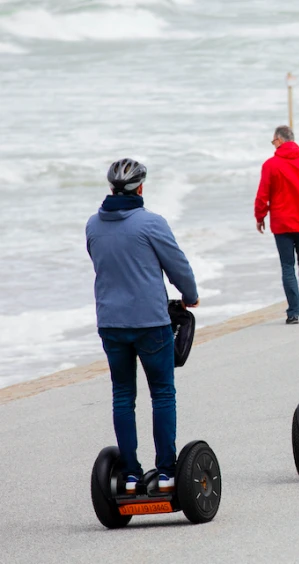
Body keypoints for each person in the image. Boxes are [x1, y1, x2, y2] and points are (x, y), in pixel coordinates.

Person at [86, 158, 199, 494]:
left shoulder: (93, 225)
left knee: (123, 396)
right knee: (162, 393)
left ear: (110, 188)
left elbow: (102, 262)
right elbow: (177, 264)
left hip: (111, 323)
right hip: (150, 322)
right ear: (140, 187)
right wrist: (189, 295)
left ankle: (131, 476)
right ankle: (166, 472)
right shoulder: (151, 223)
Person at [254, 125, 299, 324]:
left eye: (273, 141)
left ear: (279, 140)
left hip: (282, 224)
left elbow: (263, 195)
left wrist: (260, 216)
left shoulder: (270, 165)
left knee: (287, 267)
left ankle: (293, 313)